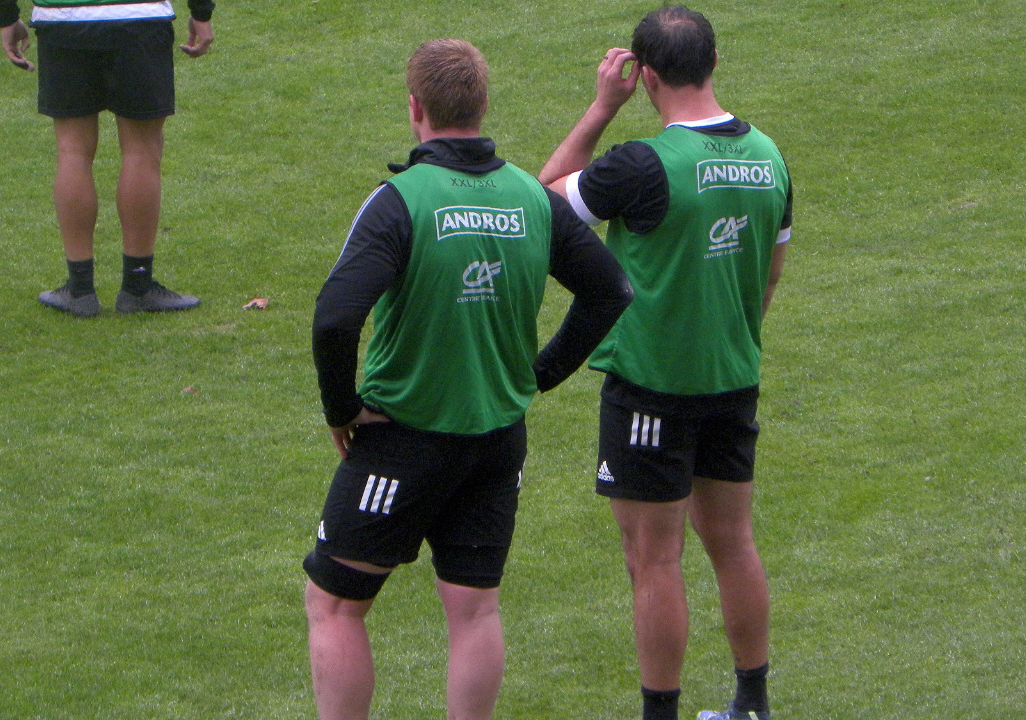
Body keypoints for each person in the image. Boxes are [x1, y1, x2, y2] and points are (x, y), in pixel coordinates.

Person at [305, 39, 631, 720]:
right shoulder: (531, 199)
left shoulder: (400, 201)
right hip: (497, 441)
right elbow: (610, 290)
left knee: (335, 604)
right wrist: (539, 375)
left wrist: (340, 408)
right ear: (482, 105)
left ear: (415, 108)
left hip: (403, 438)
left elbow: (336, 318)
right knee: (474, 609)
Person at [538, 6, 793, 720]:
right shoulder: (770, 156)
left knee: (653, 559)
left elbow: (541, 204)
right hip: (733, 378)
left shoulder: (641, 165)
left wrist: (600, 108)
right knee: (733, 543)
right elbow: (769, 275)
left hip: (651, 388)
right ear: (713, 64)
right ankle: (752, 704)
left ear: (645, 77)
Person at [0, 0, 216, 318]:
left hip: (62, 21)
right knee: (142, 150)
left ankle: (80, 290)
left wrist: (6, 18)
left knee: (72, 150)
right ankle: (138, 287)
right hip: (140, 17)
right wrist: (201, 13)